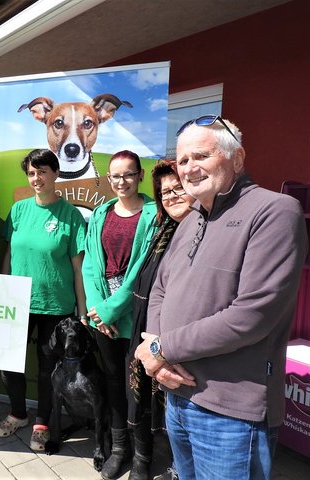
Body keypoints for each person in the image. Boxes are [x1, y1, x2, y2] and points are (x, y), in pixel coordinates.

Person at [135, 116, 308, 480]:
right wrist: (155, 349)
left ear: (238, 159)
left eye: (200, 155)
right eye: (182, 160)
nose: (188, 168)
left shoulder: (274, 211)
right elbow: (161, 287)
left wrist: (159, 350)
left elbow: (251, 316)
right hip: (177, 395)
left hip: (231, 412)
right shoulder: (191, 218)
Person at [0, 149, 87, 451]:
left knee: (49, 367)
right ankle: (18, 413)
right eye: (31, 173)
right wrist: (2, 292)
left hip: (55, 305)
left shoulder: (70, 215)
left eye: (42, 171)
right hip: (18, 301)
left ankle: (42, 422)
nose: (36, 178)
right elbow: (9, 255)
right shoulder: (19, 211)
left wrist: (82, 311)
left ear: (55, 173)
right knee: (11, 363)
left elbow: (78, 268)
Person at [82, 150, 158, 480]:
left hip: (136, 313)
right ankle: (118, 449)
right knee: (113, 382)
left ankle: (142, 456)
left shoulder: (155, 214)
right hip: (104, 318)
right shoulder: (100, 213)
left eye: (128, 174)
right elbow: (89, 266)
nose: (121, 182)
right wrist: (98, 312)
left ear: (140, 175)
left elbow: (144, 268)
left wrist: (111, 310)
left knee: (137, 385)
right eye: (115, 176)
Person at [125, 160, 195, 480]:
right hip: (147, 330)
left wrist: (162, 344)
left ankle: (180, 468)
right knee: (148, 401)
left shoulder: (202, 231)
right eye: (164, 192)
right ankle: (155, 461)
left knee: (177, 407)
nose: (170, 196)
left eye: (178, 188)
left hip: (178, 339)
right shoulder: (163, 228)